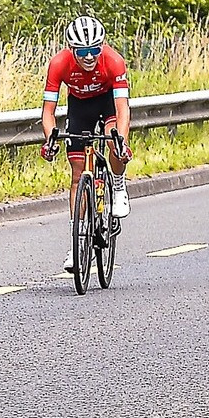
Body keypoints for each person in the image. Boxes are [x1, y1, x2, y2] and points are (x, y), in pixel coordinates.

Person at [39, 15, 133, 272]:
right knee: (78, 175)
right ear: (73, 50)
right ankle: (77, 243)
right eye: (83, 52)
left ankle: (117, 184)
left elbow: (123, 110)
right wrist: (50, 139)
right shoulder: (59, 64)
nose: (90, 57)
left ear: (101, 46)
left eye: (95, 50)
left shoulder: (114, 61)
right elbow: (48, 113)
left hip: (107, 103)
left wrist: (121, 142)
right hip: (79, 107)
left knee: (114, 140)